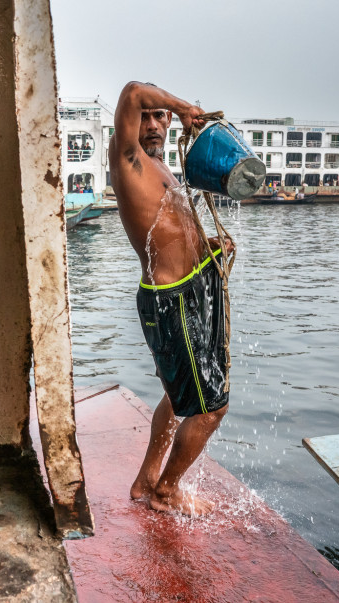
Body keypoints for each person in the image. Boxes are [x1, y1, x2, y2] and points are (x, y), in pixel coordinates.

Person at [109, 82, 232, 517]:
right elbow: (132, 91)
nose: (153, 123)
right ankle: (166, 491)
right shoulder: (126, 157)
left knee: (174, 396)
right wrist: (182, 108)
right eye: (146, 115)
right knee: (212, 408)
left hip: (184, 291)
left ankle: (146, 479)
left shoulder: (160, 167)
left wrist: (207, 246)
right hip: (171, 300)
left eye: (159, 117)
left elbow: (171, 232)